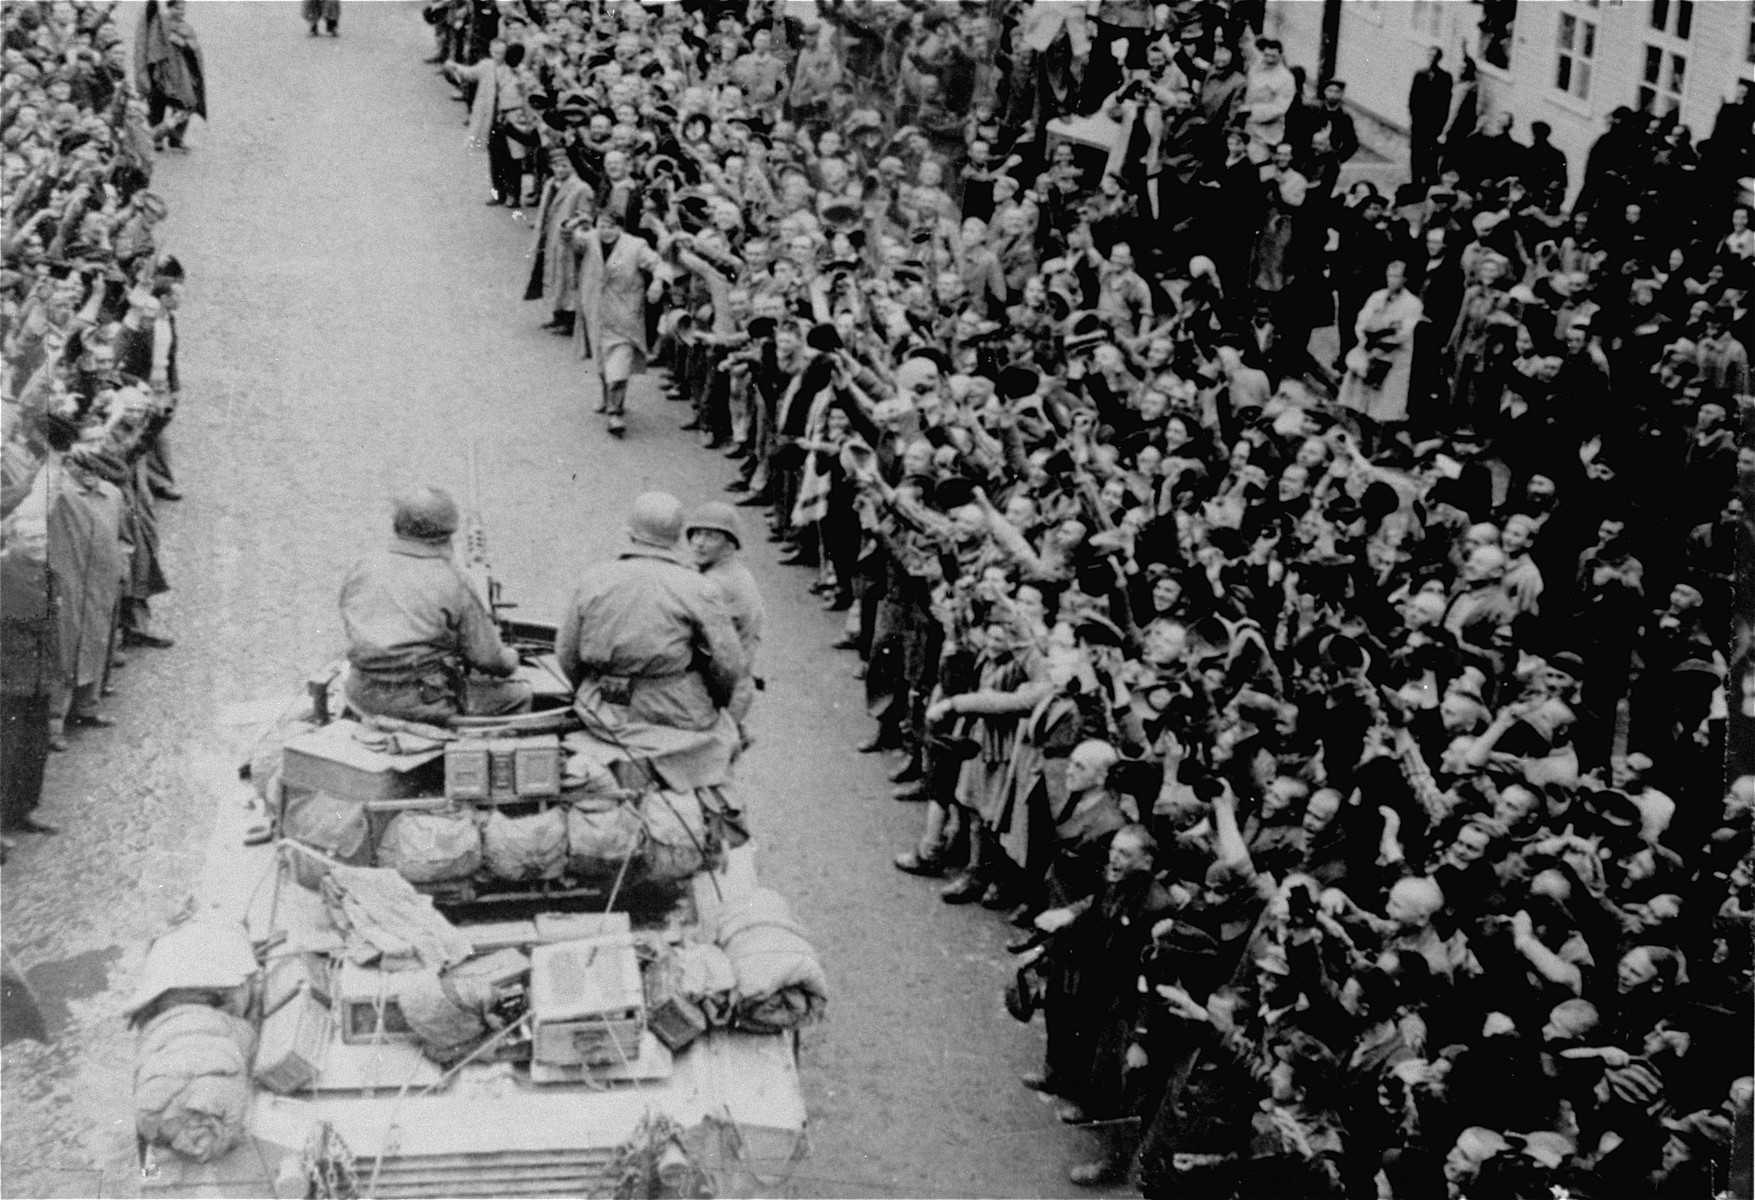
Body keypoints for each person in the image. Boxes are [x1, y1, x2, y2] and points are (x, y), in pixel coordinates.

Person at [555, 492, 747, 790]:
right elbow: (729, 664)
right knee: (726, 745)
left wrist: (593, 687)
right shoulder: (698, 587)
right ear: (677, 538)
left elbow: (567, 654)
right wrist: (713, 702)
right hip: (678, 711)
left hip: (603, 709)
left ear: (629, 533)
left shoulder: (593, 578)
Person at [337, 487, 531, 724]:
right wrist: (511, 657)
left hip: (361, 694)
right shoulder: (453, 579)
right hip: (422, 704)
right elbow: (491, 661)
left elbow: (351, 621)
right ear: (446, 534)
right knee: (519, 695)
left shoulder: (364, 566)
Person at [685, 500, 765, 726]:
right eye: (696, 534)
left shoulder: (716, 584)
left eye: (711, 537)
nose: (699, 543)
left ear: (730, 545)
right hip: (735, 685)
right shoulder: (733, 573)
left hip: (722, 692)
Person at [134, 0, 206, 152]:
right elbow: (150, 42)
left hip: (181, 75)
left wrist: (184, 44)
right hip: (162, 73)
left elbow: (195, 49)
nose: (181, 12)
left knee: (187, 103)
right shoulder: (160, 26)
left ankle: (176, 137)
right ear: (170, 8)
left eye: (183, 9)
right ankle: (157, 138)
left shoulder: (186, 29)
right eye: (178, 9)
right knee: (156, 103)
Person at [1407, 47, 1452, 186]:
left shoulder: (1445, 77)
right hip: (1419, 121)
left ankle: (1429, 178)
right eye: (1430, 55)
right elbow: (1413, 98)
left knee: (1431, 153)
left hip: (1433, 124)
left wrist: (1440, 122)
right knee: (1416, 151)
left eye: (1435, 56)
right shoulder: (1420, 75)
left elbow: (1445, 102)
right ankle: (1416, 180)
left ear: (1439, 58)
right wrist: (1415, 116)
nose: (1432, 58)